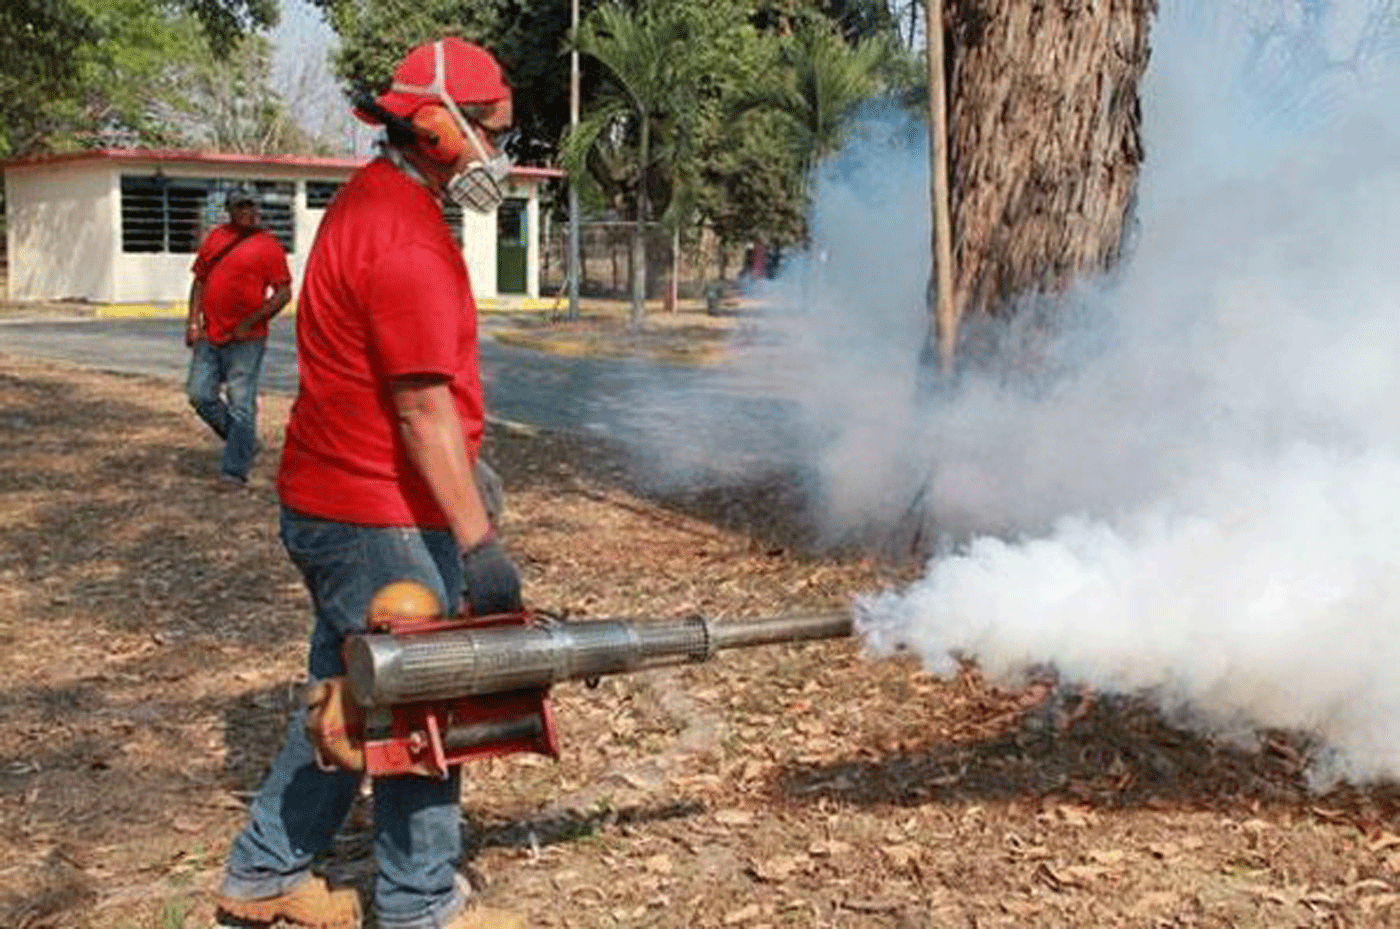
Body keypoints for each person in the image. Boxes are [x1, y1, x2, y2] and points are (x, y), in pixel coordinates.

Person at [212, 37, 526, 929]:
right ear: (434, 128)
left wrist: (469, 470)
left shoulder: (373, 203)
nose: (499, 153)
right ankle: (421, 906)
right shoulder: (407, 241)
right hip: (375, 516)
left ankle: (264, 873)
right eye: (491, 133)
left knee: (352, 698)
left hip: (335, 499)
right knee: (423, 708)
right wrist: (479, 542)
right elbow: (421, 411)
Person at [185, 187, 292, 486]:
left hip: (247, 338)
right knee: (199, 394)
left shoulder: (268, 246)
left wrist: (252, 321)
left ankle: (234, 471)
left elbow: (283, 293)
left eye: (251, 206)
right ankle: (243, 441)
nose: (247, 211)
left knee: (240, 402)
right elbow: (200, 281)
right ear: (229, 210)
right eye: (240, 206)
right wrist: (193, 322)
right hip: (211, 333)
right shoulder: (216, 238)